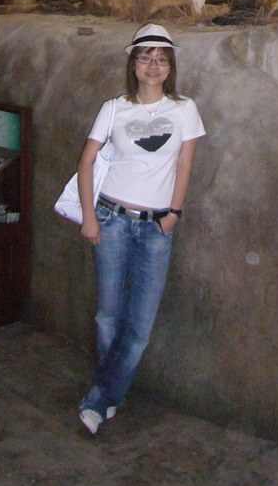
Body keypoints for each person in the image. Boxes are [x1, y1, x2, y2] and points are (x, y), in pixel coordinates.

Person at [76, 23, 205, 434]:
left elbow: (185, 164)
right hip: (112, 220)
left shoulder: (185, 109)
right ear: (133, 63)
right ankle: (109, 395)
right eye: (145, 57)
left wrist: (174, 215)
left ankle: (100, 396)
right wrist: (90, 218)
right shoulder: (114, 108)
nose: (153, 64)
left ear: (170, 67)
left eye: (161, 58)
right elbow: (87, 162)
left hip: (156, 228)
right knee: (107, 318)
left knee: (140, 326)